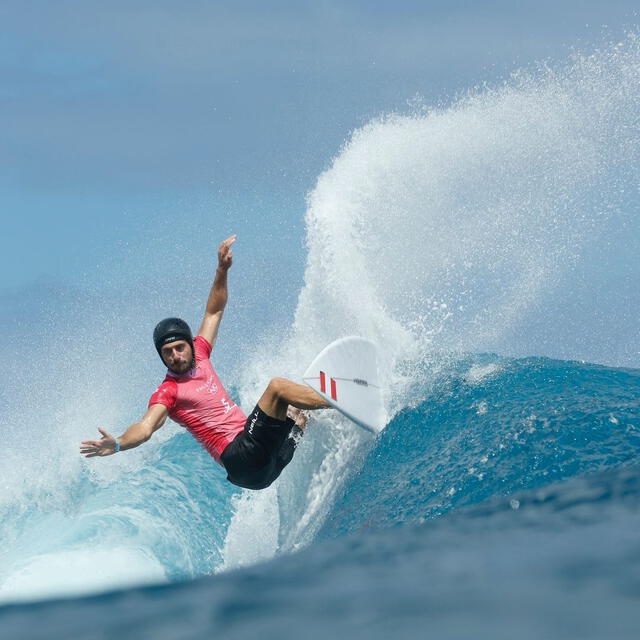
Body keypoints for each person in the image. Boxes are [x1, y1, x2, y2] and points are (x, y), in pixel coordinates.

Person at [80, 235, 329, 490]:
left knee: (298, 417)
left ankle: (332, 415)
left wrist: (222, 270)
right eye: (168, 352)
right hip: (240, 458)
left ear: (190, 344)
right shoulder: (169, 391)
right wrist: (119, 443)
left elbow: (214, 311)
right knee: (278, 388)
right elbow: (145, 427)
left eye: (180, 347)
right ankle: (336, 399)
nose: (176, 356)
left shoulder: (201, 352)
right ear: (162, 357)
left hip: (262, 475)